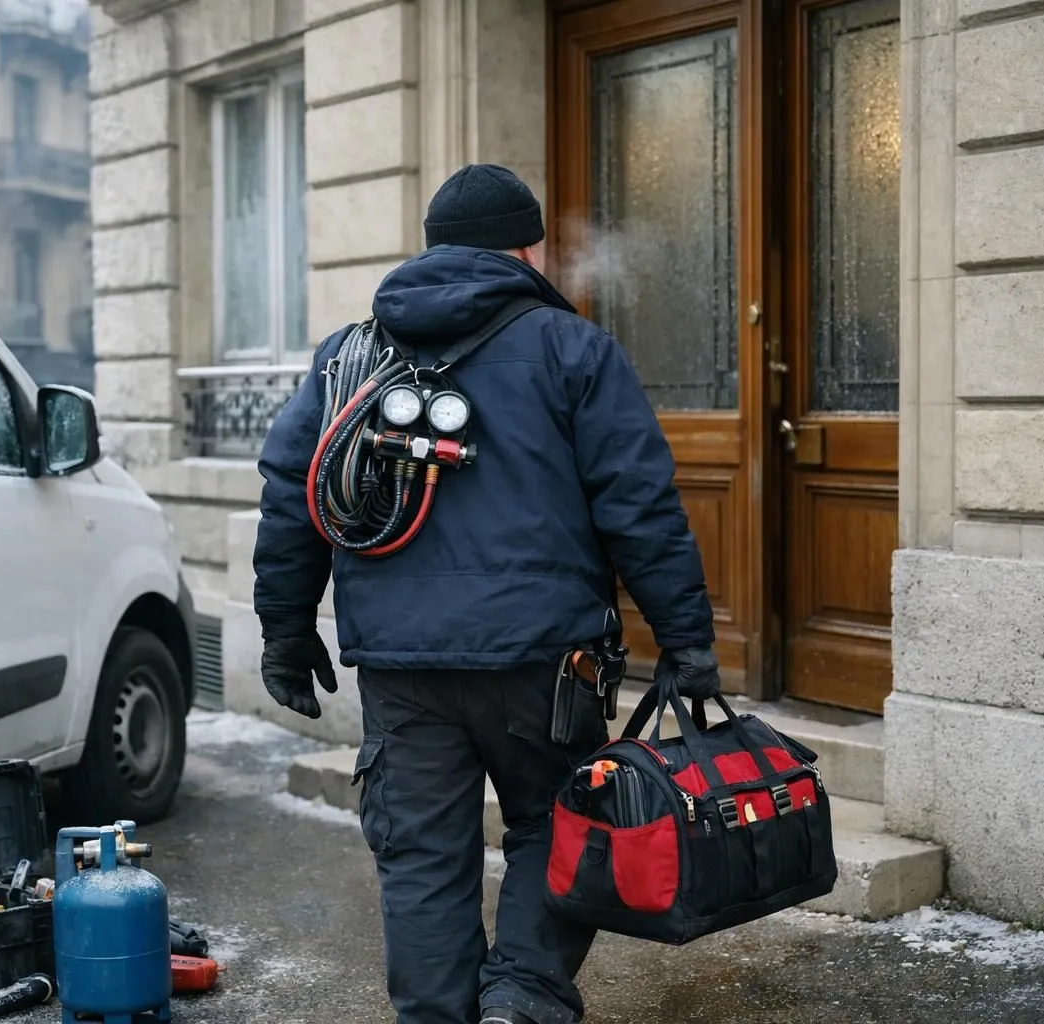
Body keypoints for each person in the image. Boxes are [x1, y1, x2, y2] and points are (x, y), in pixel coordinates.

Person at [250, 163, 721, 1024]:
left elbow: (293, 488)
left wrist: (285, 627)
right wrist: (686, 640)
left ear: (431, 247)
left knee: (423, 855)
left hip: (401, 664)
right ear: (527, 247)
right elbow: (640, 505)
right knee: (557, 826)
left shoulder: (351, 357)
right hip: (544, 662)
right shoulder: (573, 349)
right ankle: (522, 999)